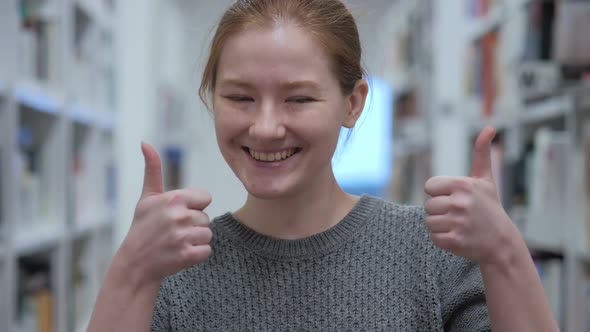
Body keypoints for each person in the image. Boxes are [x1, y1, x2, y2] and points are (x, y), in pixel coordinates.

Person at [87, 0, 559, 331]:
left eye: (298, 98)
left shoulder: (431, 253)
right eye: (239, 97)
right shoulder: (174, 269)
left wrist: (505, 253)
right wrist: (130, 271)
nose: (266, 127)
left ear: (352, 103)